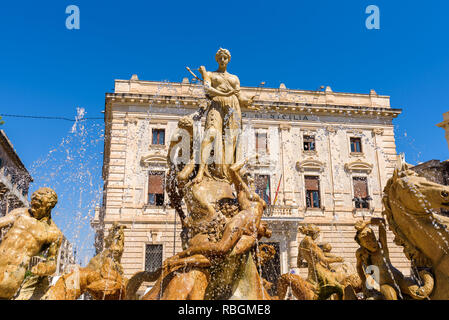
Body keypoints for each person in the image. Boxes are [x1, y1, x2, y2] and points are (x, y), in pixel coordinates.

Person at [192, 48, 256, 185]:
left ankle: (226, 175)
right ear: (216, 59)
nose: (222, 60)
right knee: (209, 135)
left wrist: (248, 102)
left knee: (230, 141)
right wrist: (225, 94)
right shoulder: (209, 74)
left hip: (233, 107)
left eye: (225, 57)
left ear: (228, 59)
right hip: (216, 104)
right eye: (220, 57)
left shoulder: (234, 78)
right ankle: (201, 172)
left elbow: (239, 96)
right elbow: (207, 89)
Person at [0, 187, 63, 299]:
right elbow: (2, 221)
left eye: (38, 205)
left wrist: (44, 268)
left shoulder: (54, 233)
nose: (33, 207)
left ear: (49, 206)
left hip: (11, 275)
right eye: (32, 202)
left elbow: (52, 263)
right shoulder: (20, 213)